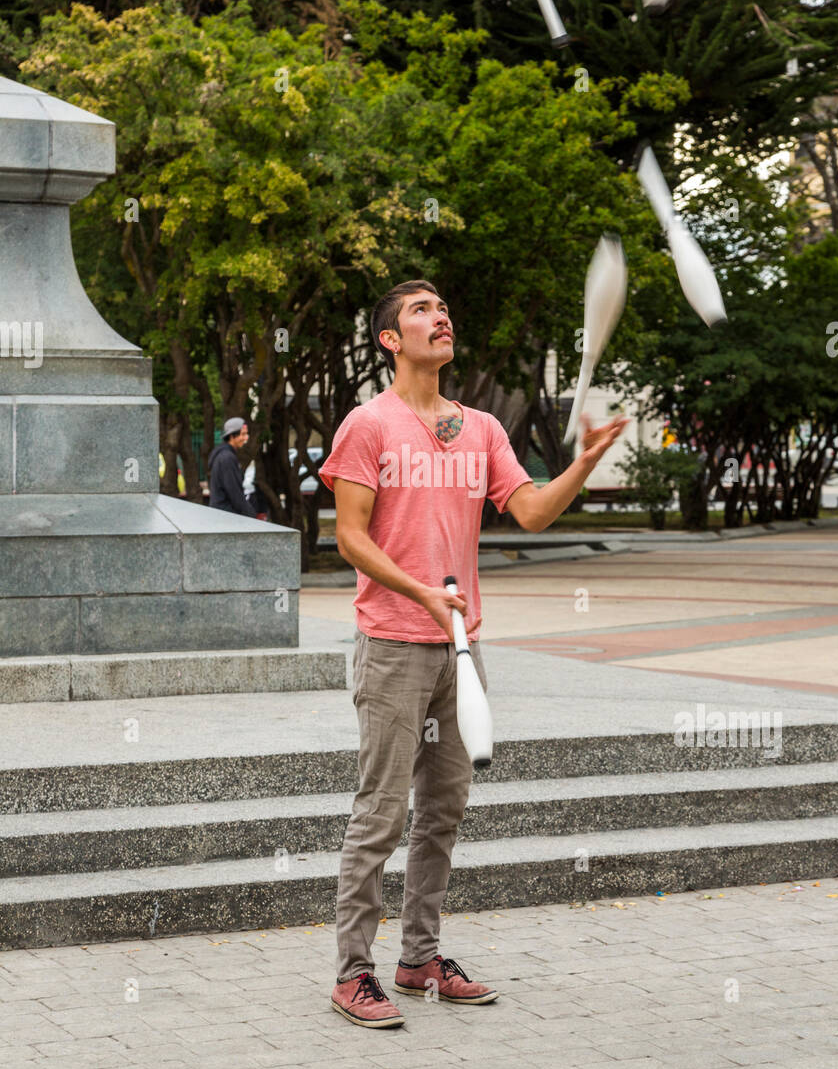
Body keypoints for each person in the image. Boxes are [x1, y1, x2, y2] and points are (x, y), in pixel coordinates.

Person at [319, 278, 629, 1029]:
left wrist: (582, 465)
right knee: (381, 812)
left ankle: (420, 956)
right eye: (421, 311)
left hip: (461, 650)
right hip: (393, 644)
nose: (441, 317)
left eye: (443, 308)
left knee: (445, 811)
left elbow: (530, 511)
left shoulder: (483, 427)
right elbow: (349, 536)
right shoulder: (369, 425)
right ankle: (352, 972)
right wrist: (423, 592)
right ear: (391, 338)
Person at [207, 418, 263, 519]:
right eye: (243, 434)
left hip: (222, 514)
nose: (246, 438)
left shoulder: (225, 455)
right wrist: (251, 515)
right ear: (232, 436)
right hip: (225, 516)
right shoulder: (227, 458)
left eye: (246, 434)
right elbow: (234, 492)